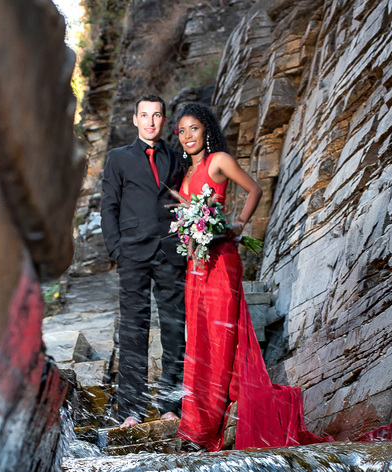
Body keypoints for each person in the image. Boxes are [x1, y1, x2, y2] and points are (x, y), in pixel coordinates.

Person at [173, 102, 332, 451]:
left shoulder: (219, 161)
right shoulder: (185, 177)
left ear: (207, 130)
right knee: (200, 339)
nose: (187, 136)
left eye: (193, 129)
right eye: (182, 131)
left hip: (222, 260)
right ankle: (198, 421)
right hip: (197, 264)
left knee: (220, 336)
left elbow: (254, 189)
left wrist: (239, 224)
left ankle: (204, 429)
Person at [100, 94, 187, 428]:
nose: (151, 121)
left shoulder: (176, 156)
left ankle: (170, 405)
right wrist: (116, 251)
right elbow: (109, 205)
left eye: (157, 115)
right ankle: (131, 411)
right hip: (132, 255)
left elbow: (185, 197)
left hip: (169, 253)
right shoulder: (118, 158)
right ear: (134, 119)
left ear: (164, 120)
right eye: (145, 115)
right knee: (133, 332)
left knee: (174, 331)